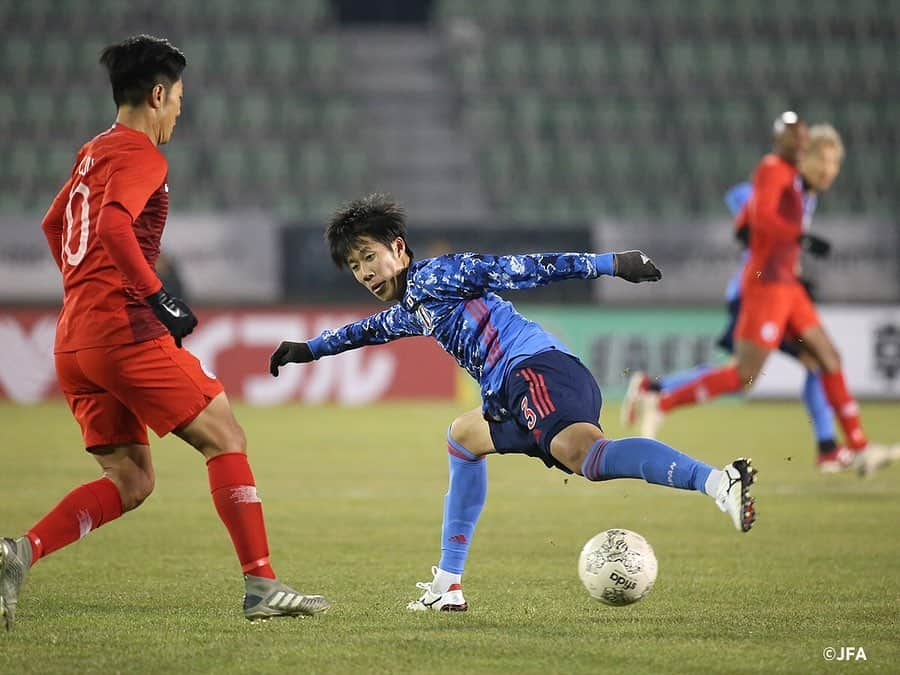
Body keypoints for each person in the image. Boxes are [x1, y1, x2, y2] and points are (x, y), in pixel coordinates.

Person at [269, 193, 757, 613]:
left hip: (536, 370)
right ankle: (446, 586)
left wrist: (610, 264)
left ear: (397, 247)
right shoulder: (411, 307)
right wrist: (308, 349)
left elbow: (524, 269)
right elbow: (365, 332)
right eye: (354, 267)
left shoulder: (441, 274)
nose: (364, 273)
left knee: (585, 456)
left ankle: (718, 481)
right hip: (513, 394)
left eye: (368, 257)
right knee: (463, 438)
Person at [0, 35, 328, 630]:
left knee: (129, 478)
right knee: (225, 434)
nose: (179, 108)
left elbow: (56, 224)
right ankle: (261, 582)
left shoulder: (92, 150)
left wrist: (84, 287)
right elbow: (112, 224)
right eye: (178, 98)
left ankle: (19, 553)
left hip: (75, 336)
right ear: (157, 94)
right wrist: (156, 295)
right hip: (124, 330)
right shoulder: (142, 154)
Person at [629, 119, 892, 476]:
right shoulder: (779, 174)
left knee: (827, 357)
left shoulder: (802, 191)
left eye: (836, 164)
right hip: (764, 285)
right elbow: (749, 204)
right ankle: (660, 399)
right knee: (744, 375)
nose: (830, 171)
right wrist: (782, 234)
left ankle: (854, 448)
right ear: (804, 156)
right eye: (824, 161)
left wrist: (786, 247)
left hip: (786, 285)